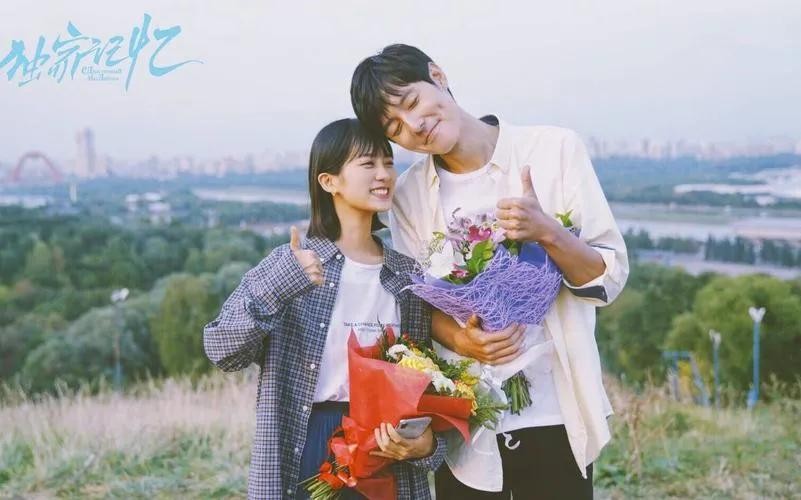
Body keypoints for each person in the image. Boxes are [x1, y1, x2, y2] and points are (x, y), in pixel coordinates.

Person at [351, 44, 629, 499]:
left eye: (412, 103)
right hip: (467, 423)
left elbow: (607, 278)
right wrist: (462, 340)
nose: (413, 125)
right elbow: (414, 302)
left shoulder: (554, 151)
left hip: (558, 412)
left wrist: (547, 232)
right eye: (395, 127)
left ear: (438, 76)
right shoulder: (410, 195)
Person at [203, 118, 446, 499]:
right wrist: (282, 283)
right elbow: (222, 350)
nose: (383, 174)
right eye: (367, 164)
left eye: (388, 162)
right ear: (329, 181)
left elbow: (429, 385)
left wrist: (428, 447)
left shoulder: (407, 276)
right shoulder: (290, 264)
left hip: (386, 446)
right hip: (308, 440)